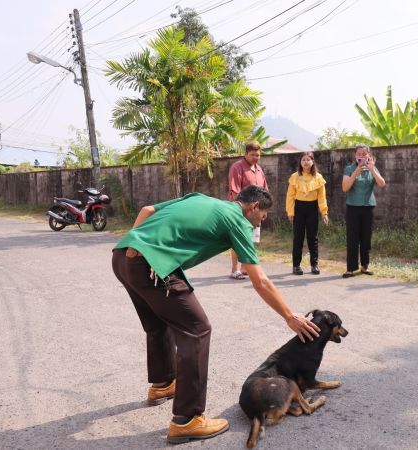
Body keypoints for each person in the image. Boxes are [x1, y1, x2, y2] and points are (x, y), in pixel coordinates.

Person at [112, 185, 320, 443]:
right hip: (152, 264)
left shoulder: (200, 197)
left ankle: (163, 384)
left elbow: (147, 210)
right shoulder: (238, 220)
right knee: (197, 330)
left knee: (158, 323)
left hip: (123, 256)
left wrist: (137, 245)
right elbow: (260, 280)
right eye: (263, 216)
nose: (261, 222)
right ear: (254, 207)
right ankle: (187, 420)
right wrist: (290, 315)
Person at [341, 144, 386, 278]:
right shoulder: (349, 168)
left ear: (369, 156)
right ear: (355, 156)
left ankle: (364, 267)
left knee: (366, 239)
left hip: (368, 207)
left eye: (364, 154)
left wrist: (372, 169)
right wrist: (355, 173)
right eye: (359, 154)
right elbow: (345, 188)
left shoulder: (372, 168)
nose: (361, 156)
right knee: (352, 238)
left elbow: (382, 183)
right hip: (353, 207)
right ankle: (350, 268)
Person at [228, 141, 269, 280]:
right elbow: (235, 191)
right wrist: (240, 210)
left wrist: (264, 210)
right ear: (245, 154)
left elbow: (265, 192)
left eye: (258, 155)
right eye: (252, 155)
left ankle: (245, 268)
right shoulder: (237, 167)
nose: (255, 157)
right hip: (241, 211)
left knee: (251, 240)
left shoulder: (259, 170)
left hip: (256, 212)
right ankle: (234, 270)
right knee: (237, 239)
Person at [286, 152, 329, 275]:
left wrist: (324, 212)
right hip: (298, 208)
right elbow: (290, 196)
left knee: (313, 238)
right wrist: (290, 211)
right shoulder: (294, 176)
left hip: (312, 208)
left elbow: (322, 196)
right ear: (300, 162)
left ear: (312, 162)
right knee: (298, 238)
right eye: (303, 159)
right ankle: (296, 265)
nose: (305, 162)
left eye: (308, 159)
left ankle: (314, 265)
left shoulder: (318, 177)